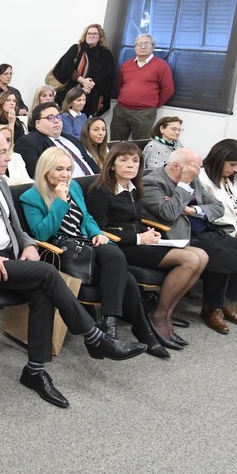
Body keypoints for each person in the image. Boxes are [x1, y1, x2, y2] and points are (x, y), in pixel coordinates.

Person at [0, 128, 146, 408]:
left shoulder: (0, 181)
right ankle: (94, 336)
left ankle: (35, 370)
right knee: (49, 273)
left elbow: (15, 226)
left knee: (42, 291)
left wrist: (28, 245)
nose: (8, 157)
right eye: (2, 152)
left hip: (12, 259)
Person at [20, 147, 167, 358]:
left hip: (86, 246)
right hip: (61, 253)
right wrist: (60, 202)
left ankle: (111, 331)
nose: (65, 174)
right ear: (45, 170)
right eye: (59, 169)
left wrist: (97, 232)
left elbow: (86, 217)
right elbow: (42, 234)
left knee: (116, 260)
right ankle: (138, 332)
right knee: (127, 278)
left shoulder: (75, 187)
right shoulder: (31, 197)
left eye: (69, 169)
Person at [86, 142, 209, 345]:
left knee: (202, 256)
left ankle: (167, 312)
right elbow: (99, 230)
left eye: (135, 161)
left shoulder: (133, 188)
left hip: (138, 242)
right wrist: (138, 238)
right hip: (119, 248)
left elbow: (134, 220)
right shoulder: (100, 190)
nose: (130, 165)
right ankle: (158, 316)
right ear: (111, 165)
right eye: (124, 160)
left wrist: (147, 233)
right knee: (190, 260)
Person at [140, 148, 237, 335]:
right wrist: (184, 184)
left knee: (231, 248)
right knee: (222, 253)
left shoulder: (194, 179)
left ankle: (223, 302)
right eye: (194, 167)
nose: (197, 171)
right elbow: (169, 213)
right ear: (177, 166)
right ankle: (213, 307)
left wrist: (191, 210)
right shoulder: (152, 182)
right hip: (179, 236)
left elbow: (217, 207)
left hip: (204, 229)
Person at [111, 34, 175, 141]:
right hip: (121, 111)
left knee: (139, 145)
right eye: (139, 44)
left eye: (146, 43)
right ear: (135, 47)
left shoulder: (161, 66)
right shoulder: (126, 65)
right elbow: (120, 85)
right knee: (116, 143)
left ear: (153, 47)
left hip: (144, 113)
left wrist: (153, 105)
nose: (142, 47)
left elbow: (168, 89)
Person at [16, 102, 100, 179]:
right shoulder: (29, 142)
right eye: (50, 118)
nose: (56, 121)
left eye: (58, 117)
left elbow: (91, 163)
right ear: (37, 123)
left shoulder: (72, 139)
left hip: (94, 184)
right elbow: (37, 173)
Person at [51, 24, 115, 116]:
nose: (91, 36)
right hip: (69, 95)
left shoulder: (105, 54)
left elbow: (108, 73)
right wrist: (82, 80)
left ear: (100, 37)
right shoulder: (76, 49)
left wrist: (91, 84)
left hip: (91, 97)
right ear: (85, 35)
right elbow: (65, 67)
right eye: (89, 33)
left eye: (95, 34)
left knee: (83, 125)